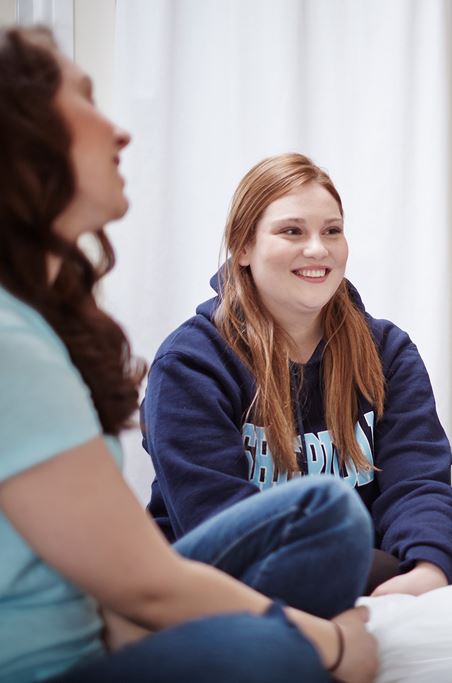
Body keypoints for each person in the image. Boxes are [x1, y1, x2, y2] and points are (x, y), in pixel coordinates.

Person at [0, 26, 377, 683]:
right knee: (274, 651)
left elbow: (104, 576)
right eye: (84, 98)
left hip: (106, 618)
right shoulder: (24, 343)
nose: (119, 132)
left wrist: (417, 571)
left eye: (332, 232)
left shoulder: (35, 321)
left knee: (329, 512)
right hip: (58, 651)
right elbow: (147, 576)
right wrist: (331, 641)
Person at [141, 152, 452, 596]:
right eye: (292, 231)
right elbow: (217, 529)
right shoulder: (190, 364)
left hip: (369, 583)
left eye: (332, 231)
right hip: (226, 594)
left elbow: (417, 485)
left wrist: (428, 572)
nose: (318, 249)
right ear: (243, 247)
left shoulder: (388, 352)